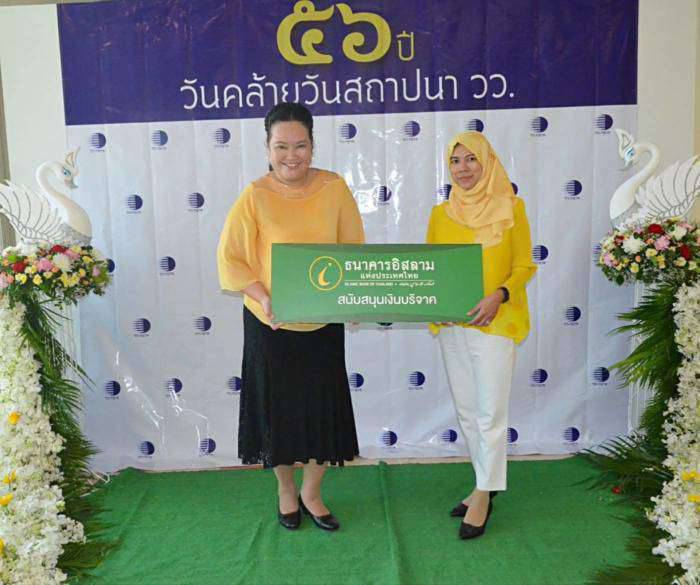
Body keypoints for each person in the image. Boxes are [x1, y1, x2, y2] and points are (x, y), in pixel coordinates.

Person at [217, 103, 365, 532]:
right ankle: (285, 490)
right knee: (276, 412)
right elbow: (231, 260)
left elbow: (353, 251)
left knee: (322, 409)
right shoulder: (254, 195)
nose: (291, 155)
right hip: (271, 324)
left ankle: (312, 493)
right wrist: (263, 299)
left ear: (312, 146)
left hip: (322, 323)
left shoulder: (335, 189)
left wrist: (356, 299)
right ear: (267, 148)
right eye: (281, 146)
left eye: (300, 145)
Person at [425, 131, 536, 539]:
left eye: (471, 159)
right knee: (468, 411)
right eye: (455, 161)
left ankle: (485, 495)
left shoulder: (512, 207)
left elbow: (524, 266)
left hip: (495, 323)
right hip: (452, 327)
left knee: (490, 412)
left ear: (488, 162)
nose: (463, 168)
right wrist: (437, 307)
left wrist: (499, 296)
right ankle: (482, 484)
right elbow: (431, 269)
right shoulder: (441, 214)